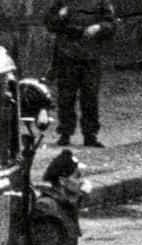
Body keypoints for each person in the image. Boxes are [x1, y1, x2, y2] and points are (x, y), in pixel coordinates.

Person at [45, 0, 116, 148]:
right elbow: (50, 24)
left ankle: (90, 135)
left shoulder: (101, 2)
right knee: (66, 97)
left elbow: (111, 25)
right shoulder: (61, 2)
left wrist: (99, 27)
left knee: (90, 96)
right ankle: (65, 133)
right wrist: (60, 16)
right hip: (67, 55)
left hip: (91, 57)